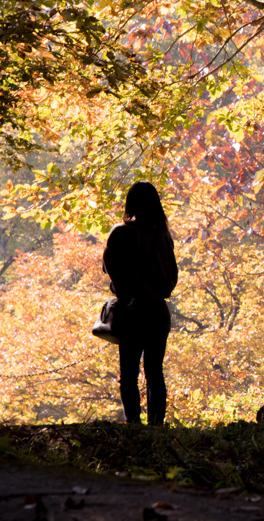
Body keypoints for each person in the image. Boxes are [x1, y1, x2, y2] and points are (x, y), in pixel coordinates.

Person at [103, 181, 178, 425]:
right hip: (158, 311)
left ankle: (132, 424)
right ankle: (156, 425)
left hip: (132, 311)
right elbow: (172, 276)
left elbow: (110, 268)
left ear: (131, 203)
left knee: (129, 373)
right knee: (155, 372)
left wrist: (125, 293)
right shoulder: (163, 235)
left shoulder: (121, 232)